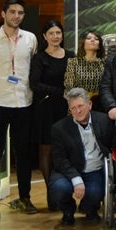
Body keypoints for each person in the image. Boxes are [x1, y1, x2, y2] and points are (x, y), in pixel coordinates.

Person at [0, 0, 39, 220]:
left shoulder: (30, 39)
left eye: (20, 13)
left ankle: (25, 198)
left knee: (23, 154)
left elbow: (32, 68)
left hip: (23, 103)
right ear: (3, 14)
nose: (16, 16)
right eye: (12, 12)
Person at [48, 87, 115, 226]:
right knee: (58, 188)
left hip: (94, 169)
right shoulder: (59, 128)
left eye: (80, 106)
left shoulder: (104, 121)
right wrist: (75, 178)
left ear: (89, 105)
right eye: (73, 108)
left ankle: (90, 209)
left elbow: (111, 147)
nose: (77, 111)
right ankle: (68, 210)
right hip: (69, 170)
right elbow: (59, 159)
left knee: (96, 192)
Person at [29, 19, 74, 192]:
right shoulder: (39, 58)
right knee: (46, 150)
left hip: (67, 109)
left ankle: (65, 189)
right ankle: (51, 191)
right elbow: (34, 84)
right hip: (46, 109)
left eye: (58, 33)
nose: (55, 36)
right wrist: (59, 92)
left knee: (65, 149)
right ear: (44, 36)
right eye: (51, 33)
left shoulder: (71, 55)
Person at [63, 29, 106, 104]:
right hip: (78, 103)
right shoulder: (73, 62)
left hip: (100, 104)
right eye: (88, 38)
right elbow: (69, 87)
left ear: (99, 45)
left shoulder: (105, 64)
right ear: (83, 43)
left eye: (96, 39)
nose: (92, 40)